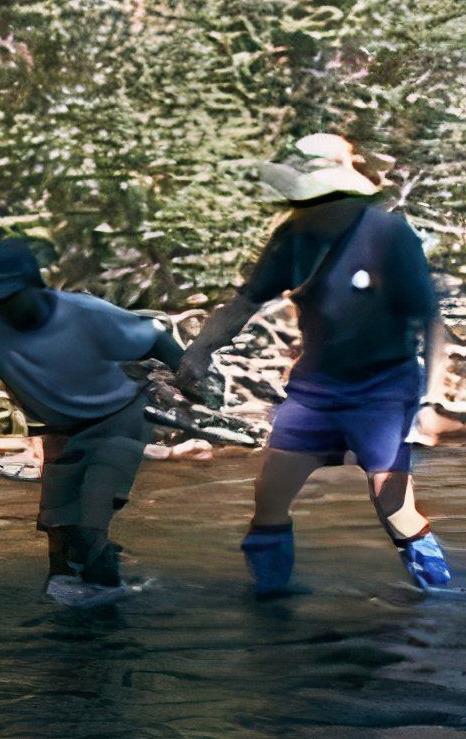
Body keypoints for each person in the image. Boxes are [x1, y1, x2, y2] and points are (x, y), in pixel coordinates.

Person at [177, 133, 453, 598]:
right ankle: (270, 605)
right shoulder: (294, 236)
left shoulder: (387, 233)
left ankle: (443, 601)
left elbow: (430, 320)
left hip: (382, 389)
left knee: (393, 505)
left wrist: (428, 400)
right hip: (316, 391)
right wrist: (199, 350)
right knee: (269, 497)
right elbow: (243, 304)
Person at [0, 239, 186, 602]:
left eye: (11, 296)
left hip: (119, 418)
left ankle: (106, 603)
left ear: (34, 285)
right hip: (61, 429)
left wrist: (193, 377)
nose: (4, 306)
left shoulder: (85, 312)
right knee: (59, 524)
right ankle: (62, 607)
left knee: (90, 519)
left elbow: (155, 338)